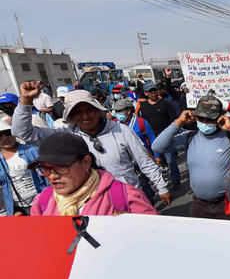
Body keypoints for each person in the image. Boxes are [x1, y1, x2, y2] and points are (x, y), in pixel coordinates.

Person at [12, 82, 171, 206]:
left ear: (98, 110)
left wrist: (162, 187)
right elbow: (22, 133)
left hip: (127, 200)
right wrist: (26, 101)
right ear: (71, 117)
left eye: (89, 110)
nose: (85, 116)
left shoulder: (121, 131)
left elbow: (144, 161)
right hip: (92, 207)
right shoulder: (66, 135)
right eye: (78, 112)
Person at [151, 96, 230, 219]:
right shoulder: (189, 138)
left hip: (227, 204)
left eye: (209, 119)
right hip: (199, 205)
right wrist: (179, 122)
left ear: (219, 117)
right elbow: (157, 147)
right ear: (195, 117)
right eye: (201, 118)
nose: (205, 122)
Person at [29, 133, 158, 216]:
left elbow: (156, 240)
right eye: (45, 169)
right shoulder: (42, 202)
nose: (52, 176)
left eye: (61, 167)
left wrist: (133, 229)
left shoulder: (125, 196)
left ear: (86, 162)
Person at [138, 81, 181, 189]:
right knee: (154, 163)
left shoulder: (166, 104)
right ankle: (161, 185)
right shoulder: (143, 105)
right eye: (150, 91)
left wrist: (172, 135)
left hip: (165, 138)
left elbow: (173, 121)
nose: (153, 93)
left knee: (170, 160)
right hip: (150, 140)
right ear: (146, 93)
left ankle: (176, 181)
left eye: (154, 90)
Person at [0, 120, 47, 216]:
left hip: (41, 204)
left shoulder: (33, 150)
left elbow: (48, 175)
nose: (5, 138)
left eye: (8, 133)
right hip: (16, 209)